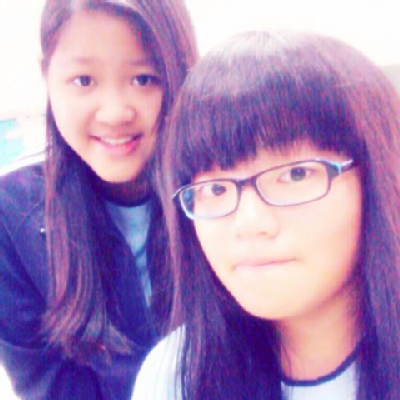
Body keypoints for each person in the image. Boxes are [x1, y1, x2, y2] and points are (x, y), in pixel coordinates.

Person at [132, 31, 400, 400]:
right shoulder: (177, 374)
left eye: (296, 174)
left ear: (377, 177)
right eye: (216, 189)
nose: (249, 224)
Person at [0, 1, 198, 399]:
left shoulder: (223, 187)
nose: (114, 112)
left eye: (143, 79)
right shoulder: (12, 212)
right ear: (46, 75)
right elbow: (47, 384)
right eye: (84, 80)